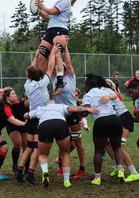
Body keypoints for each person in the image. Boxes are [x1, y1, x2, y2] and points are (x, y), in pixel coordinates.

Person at [24, 100, 99, 188]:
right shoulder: (61, 106)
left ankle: (45, 171)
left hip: (45, 126)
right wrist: (87, 109)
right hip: (61, 124)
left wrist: (26, 115)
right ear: (55, 104)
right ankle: (66, 181)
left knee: (42, 154)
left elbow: (26, 115)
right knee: (65, 153)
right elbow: (72, 109)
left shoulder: (40, 109)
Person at [15, 48, 56, 184]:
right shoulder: (41, 84)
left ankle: (20, 170)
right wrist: (53, 54)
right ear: (39, 78)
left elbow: (30, 71)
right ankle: (30, 173)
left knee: (29, 147)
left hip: (30, 120)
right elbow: (50, 69)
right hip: (40, 119)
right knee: (38, 149)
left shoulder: (28, 84)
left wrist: (36, 56)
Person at [51, 44, 88, 179]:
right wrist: (55, 51)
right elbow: (54, 63)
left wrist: (65, 47)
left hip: (72, 112)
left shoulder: (71, 77)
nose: (59, 70)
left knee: (77, 143)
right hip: (60, 113)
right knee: (63, 143)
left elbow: (68, 62)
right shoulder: (54, 79)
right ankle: (61, 166)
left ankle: (81, 168)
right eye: (57, 69)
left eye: (62, 68)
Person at [35, 0, 79, 93]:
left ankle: (60, 82)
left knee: (57, 54)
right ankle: (40, 82)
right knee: (41, 55)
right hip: (50, 30)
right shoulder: (57, 3)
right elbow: (47, 16)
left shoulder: (66, 1)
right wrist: (37, 10)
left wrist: (42, 6)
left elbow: (52, 11)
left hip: (61, 29)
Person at [82, 73, 125, 186]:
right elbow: (116, 96)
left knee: (99, 151)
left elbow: (85, 112)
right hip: (115, 119)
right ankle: (121, 170)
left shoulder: (87, 95)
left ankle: (97, 178)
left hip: (101, 121)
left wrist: (81, 110)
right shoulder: (105, 92)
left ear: (87, 86)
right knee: (117, 147)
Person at [99, 77, 139, 183]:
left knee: (119, 148)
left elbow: (113, 96)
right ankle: (119, 167)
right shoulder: (102, 92)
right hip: (117, 121)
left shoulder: (107, 92)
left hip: (124, 119)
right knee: (108, 144)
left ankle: (134, 173)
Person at [6, 94, 29, 176]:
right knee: (18, 144)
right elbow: (5, 107)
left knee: (27, 146)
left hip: (24, 126)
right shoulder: (17, 103)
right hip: (13, 125)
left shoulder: (33, 107)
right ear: (26, 98)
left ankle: (27, 168)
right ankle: (15, 165)